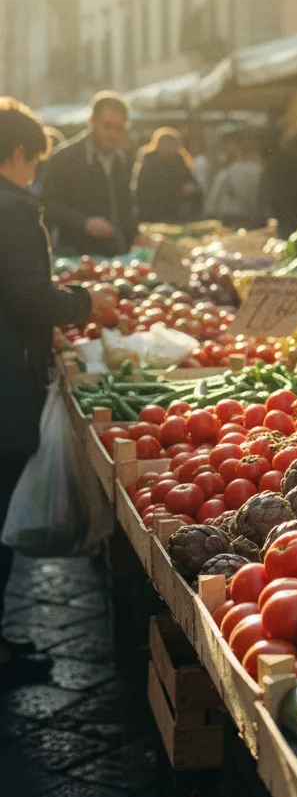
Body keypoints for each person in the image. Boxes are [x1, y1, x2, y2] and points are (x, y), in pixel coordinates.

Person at [0, 99, 104, 679]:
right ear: (17, 153)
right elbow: (29, 298)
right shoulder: (14, 210)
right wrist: (85, 303)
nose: (36, 171)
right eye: (34, 160)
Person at [40, 91, 135, 256]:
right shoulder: (65, 157)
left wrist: (136, 234)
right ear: (91, 122)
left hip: (115, 255)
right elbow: (47, 204)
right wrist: (84, 223)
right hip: (75, 256)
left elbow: (125, 207)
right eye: (107, 126)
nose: (113, 133)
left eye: (119, 128)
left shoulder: (120, 159)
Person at [133, 127, 203, 224]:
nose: (168, 147)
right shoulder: (149, 161)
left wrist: (192, 188)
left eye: (171, 143)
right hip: (152, 216)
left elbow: (193, 184)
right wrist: (179, 189)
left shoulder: (179, 160)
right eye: (165, 143)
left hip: (177, 216)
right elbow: (147, 190)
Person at [207, 131, 265, 229]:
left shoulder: (234, 168)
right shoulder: (254, 168)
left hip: (231, 214)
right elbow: (247, 195)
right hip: (241, 215)